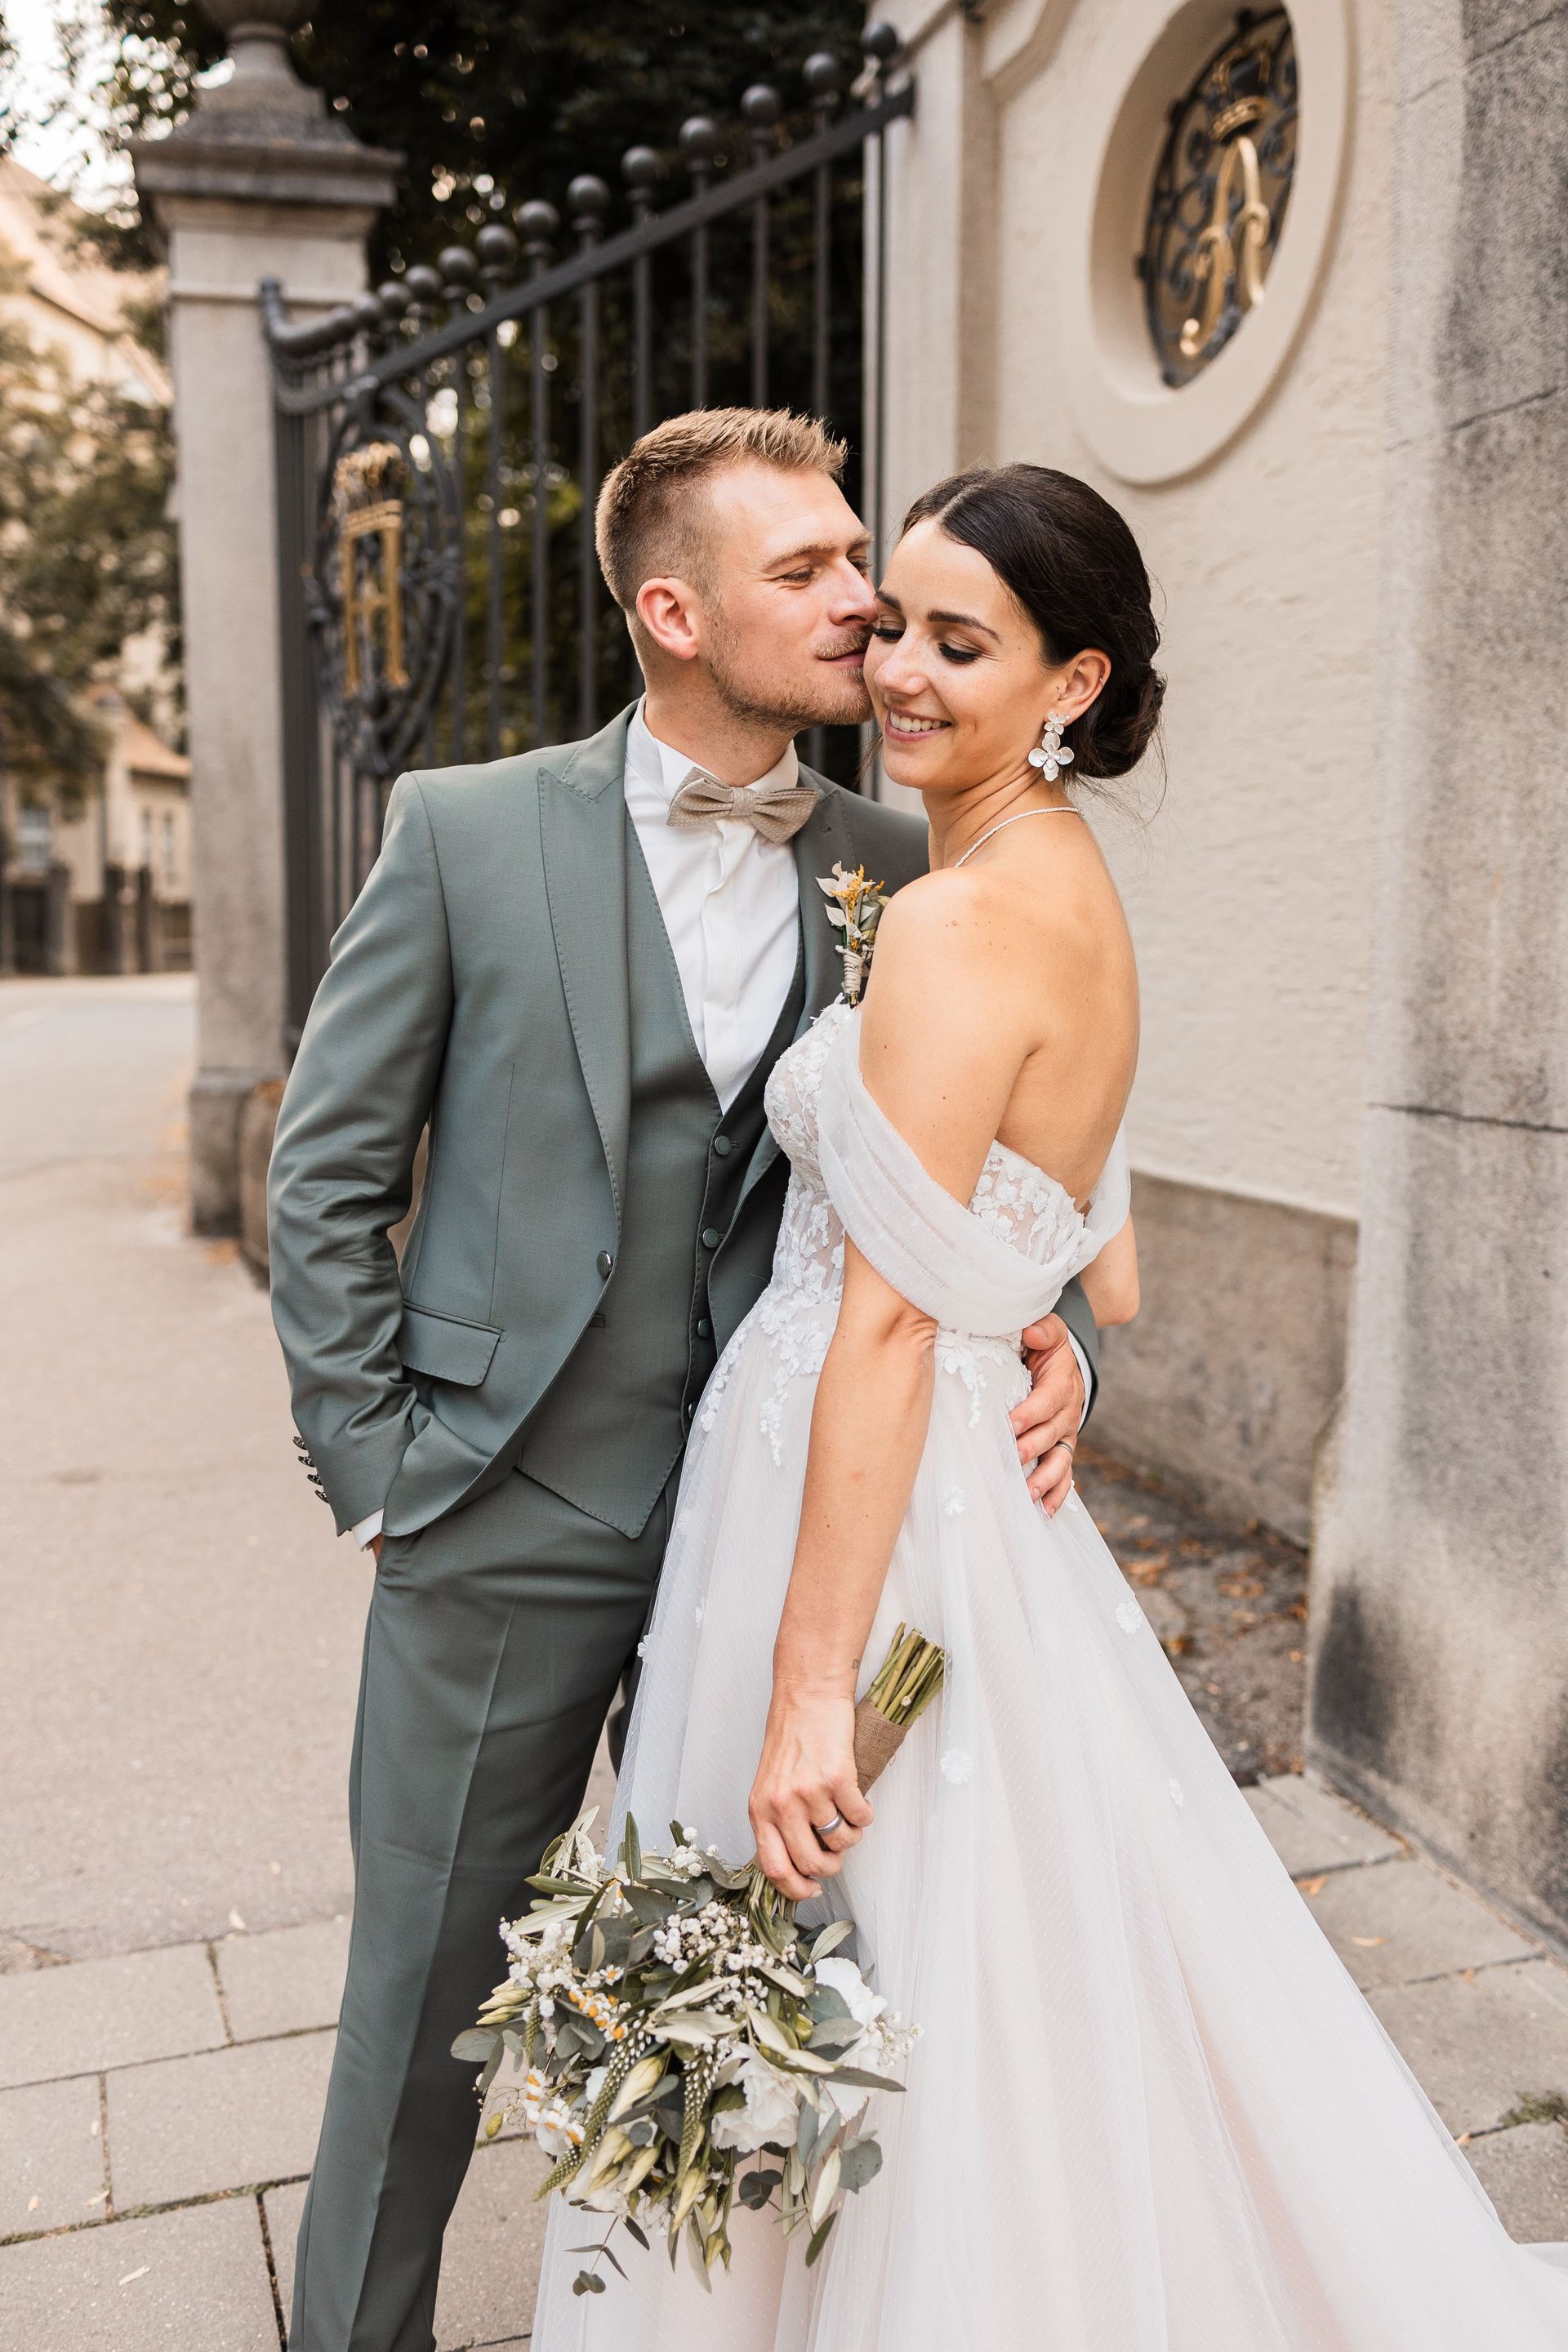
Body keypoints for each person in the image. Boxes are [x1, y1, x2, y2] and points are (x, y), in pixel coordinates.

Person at [532, 464, 1568, 2349]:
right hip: (960, 1491)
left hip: (863, 1502)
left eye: (957, 640)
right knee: (987, 1943)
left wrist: (805, 1692)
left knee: (857, 1916)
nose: (894, 664)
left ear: (1071, 684)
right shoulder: (1051, 883)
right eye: (890, 620)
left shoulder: (946, 925)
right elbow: (1107, 1247)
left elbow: (874, 1335)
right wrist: (1054, 1337)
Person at [266, 409, 1098, 2352]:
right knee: (424, 1999)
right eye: (806, 570)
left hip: (785, 1516)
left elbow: (993, 1164)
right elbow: (323, 1169)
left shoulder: (905, 861)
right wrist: (380, 1466)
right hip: (501, 1510)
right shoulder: (470, 830)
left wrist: (1047, 1333)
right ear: (672, 610)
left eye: (854, 559)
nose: (862, 599)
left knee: (782, 1968)